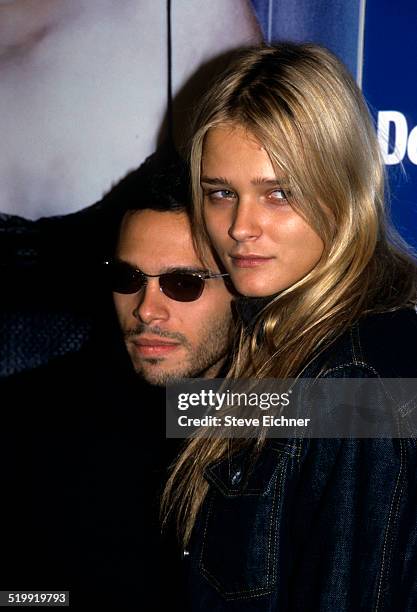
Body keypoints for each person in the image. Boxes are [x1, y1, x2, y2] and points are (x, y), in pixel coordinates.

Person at [163, 44, 417, 611]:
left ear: (341, 188)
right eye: (220, 193)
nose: (239, 227)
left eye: (278, 194)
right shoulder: (280, 337)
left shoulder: (359, 378)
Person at [0, 149, 234, 610]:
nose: (146, 309)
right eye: (128, 278)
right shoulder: (30, 415)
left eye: (182, 283)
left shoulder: (271, 407)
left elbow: (391, 408)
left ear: (243, 290)